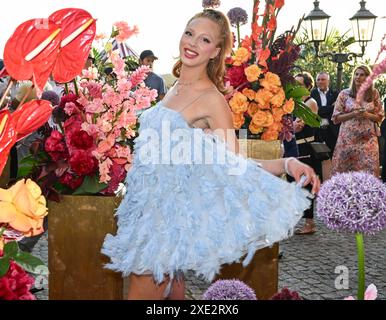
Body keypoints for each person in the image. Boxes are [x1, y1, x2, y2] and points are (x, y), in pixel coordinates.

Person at [102, 9, 320, 300]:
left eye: (204, 39)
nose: (192, 43)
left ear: (216, 51)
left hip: (164, 228)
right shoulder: (174, 87)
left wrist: (286, 162)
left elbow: (232, 165)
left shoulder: (212, 100)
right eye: (189, 33)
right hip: (147, 213)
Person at [331, 65, 383, 176]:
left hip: (368, 141)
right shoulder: (344, 94)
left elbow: (380, 116)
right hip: (347, 141)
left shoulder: (374, 94)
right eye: (356, 74)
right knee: (344, 175)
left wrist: (366, 114)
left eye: (362, 74)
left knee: (369, 174)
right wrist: (353, 114)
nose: (358, 77)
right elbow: (335, 118)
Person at [292, 72, 320, 235]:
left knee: (306, 185)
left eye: (300, 85)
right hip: (293, 148)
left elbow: (298, 125)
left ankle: (310, 223)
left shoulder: (311, 102)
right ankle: (299, 219)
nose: (296, 87)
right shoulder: (293, 102)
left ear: (308, 87)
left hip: (306, 148)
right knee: (294, 184)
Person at [311, 72, 339, 153]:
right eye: (318, 80)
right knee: (319, 155)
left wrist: (323, 110)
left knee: (333, 155)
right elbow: (317, 111)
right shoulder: (312, 94)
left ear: (328, 81)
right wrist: (331, 106)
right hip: (317, 131)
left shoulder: (335, 94)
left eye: (323, 79)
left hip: (332, 130)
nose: (320, 81)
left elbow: (337, 110)